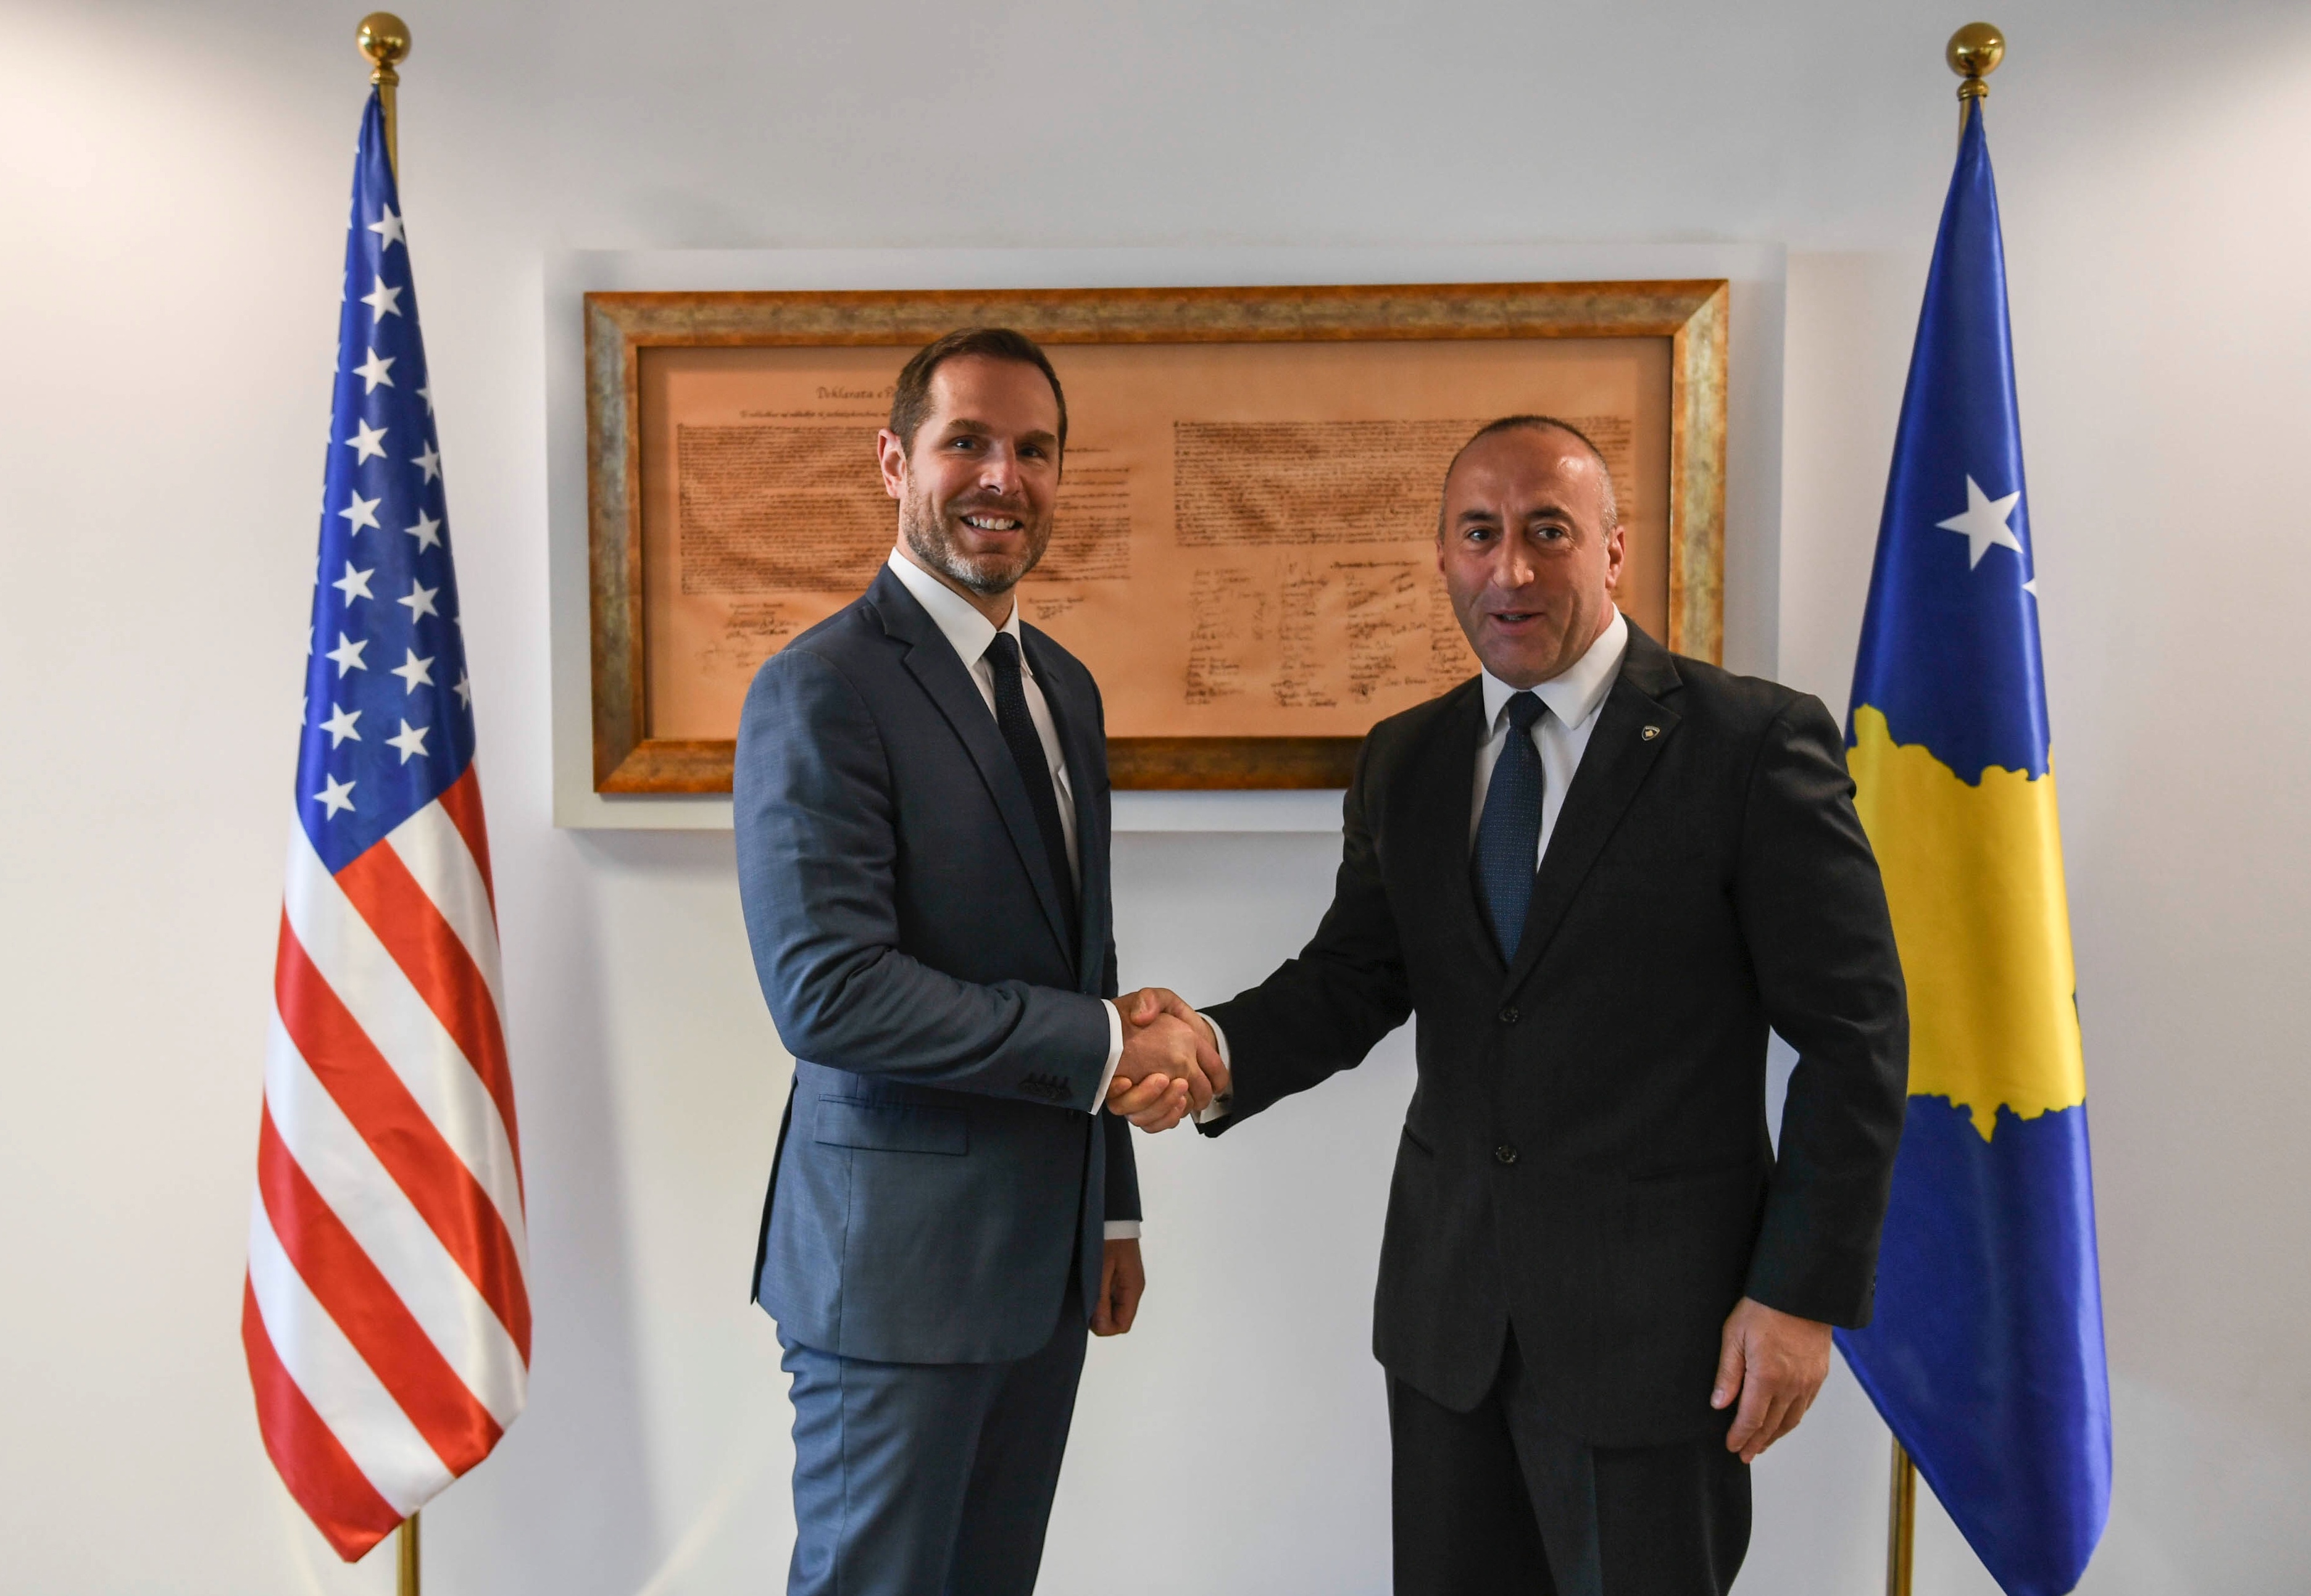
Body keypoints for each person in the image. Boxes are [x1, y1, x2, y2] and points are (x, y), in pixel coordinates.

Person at [1128, 417, 1909, 1594]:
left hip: (1663, 1345)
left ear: (1613, 548)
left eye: (1549, 531)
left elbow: (1858, 1039)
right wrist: (1211, 1043)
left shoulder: (1750, 744)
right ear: (1443, 556)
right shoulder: (1407, 760)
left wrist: (1798, 1295)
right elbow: (1353, 979)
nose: (1512, 569)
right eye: (1480, 534)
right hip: (1449, 1331)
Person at [734, 327, 1222, 1596]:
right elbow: (830, 993)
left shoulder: (1065, 687)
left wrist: (1110, 1204)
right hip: (893, 1281)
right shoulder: (820, 687)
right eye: (968, 442)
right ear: (895, 462)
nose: (1005, 476)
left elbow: (1084, 959)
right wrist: (1109, 1048)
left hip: (1044, 1263)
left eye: (1035, 450)